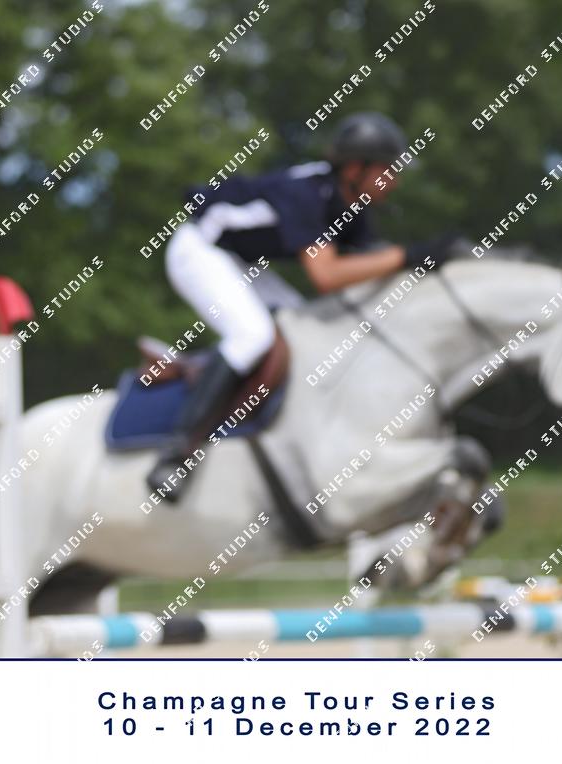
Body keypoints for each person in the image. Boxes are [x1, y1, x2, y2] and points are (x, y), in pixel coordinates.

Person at [148, 111, 457, 499]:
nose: (394, 181)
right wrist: (408, 256)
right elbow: (326, 276)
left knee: (305, 331)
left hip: (240, 261)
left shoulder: (351, 205)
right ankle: (176, 452)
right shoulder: (307, 193)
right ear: (356, 169)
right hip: (199, 251)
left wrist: (429, 264)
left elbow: (371, 268)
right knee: (252, 336)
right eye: (388, 170)